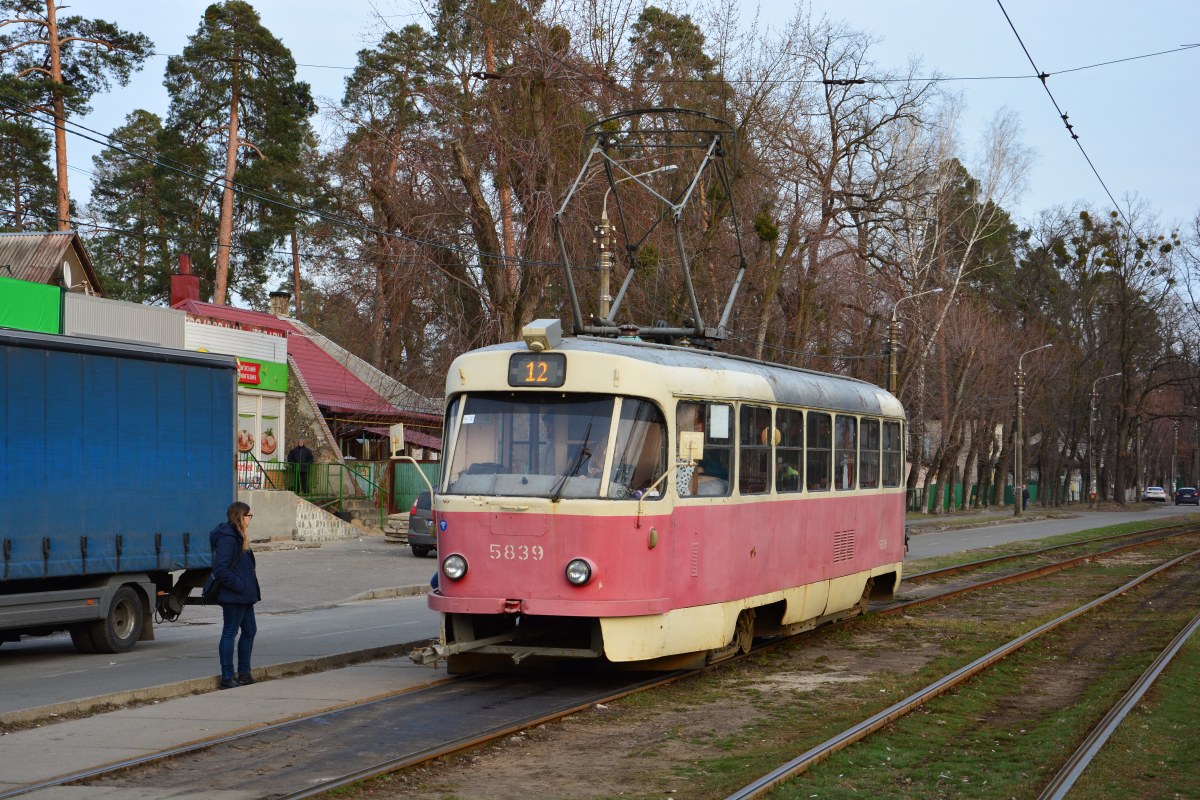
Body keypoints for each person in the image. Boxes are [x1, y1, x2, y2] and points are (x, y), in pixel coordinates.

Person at [209, 501, 262, 689]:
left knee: (250, 631)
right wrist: (240, 585)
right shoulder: (228, 539)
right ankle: (227, 676)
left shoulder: (240, 536)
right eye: (248, 516)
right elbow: (220, 569)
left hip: (245, 595)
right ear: (240, 517)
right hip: (234, 595)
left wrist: (247, 588)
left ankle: (244, 673)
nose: (250, 519)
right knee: (230, 633)